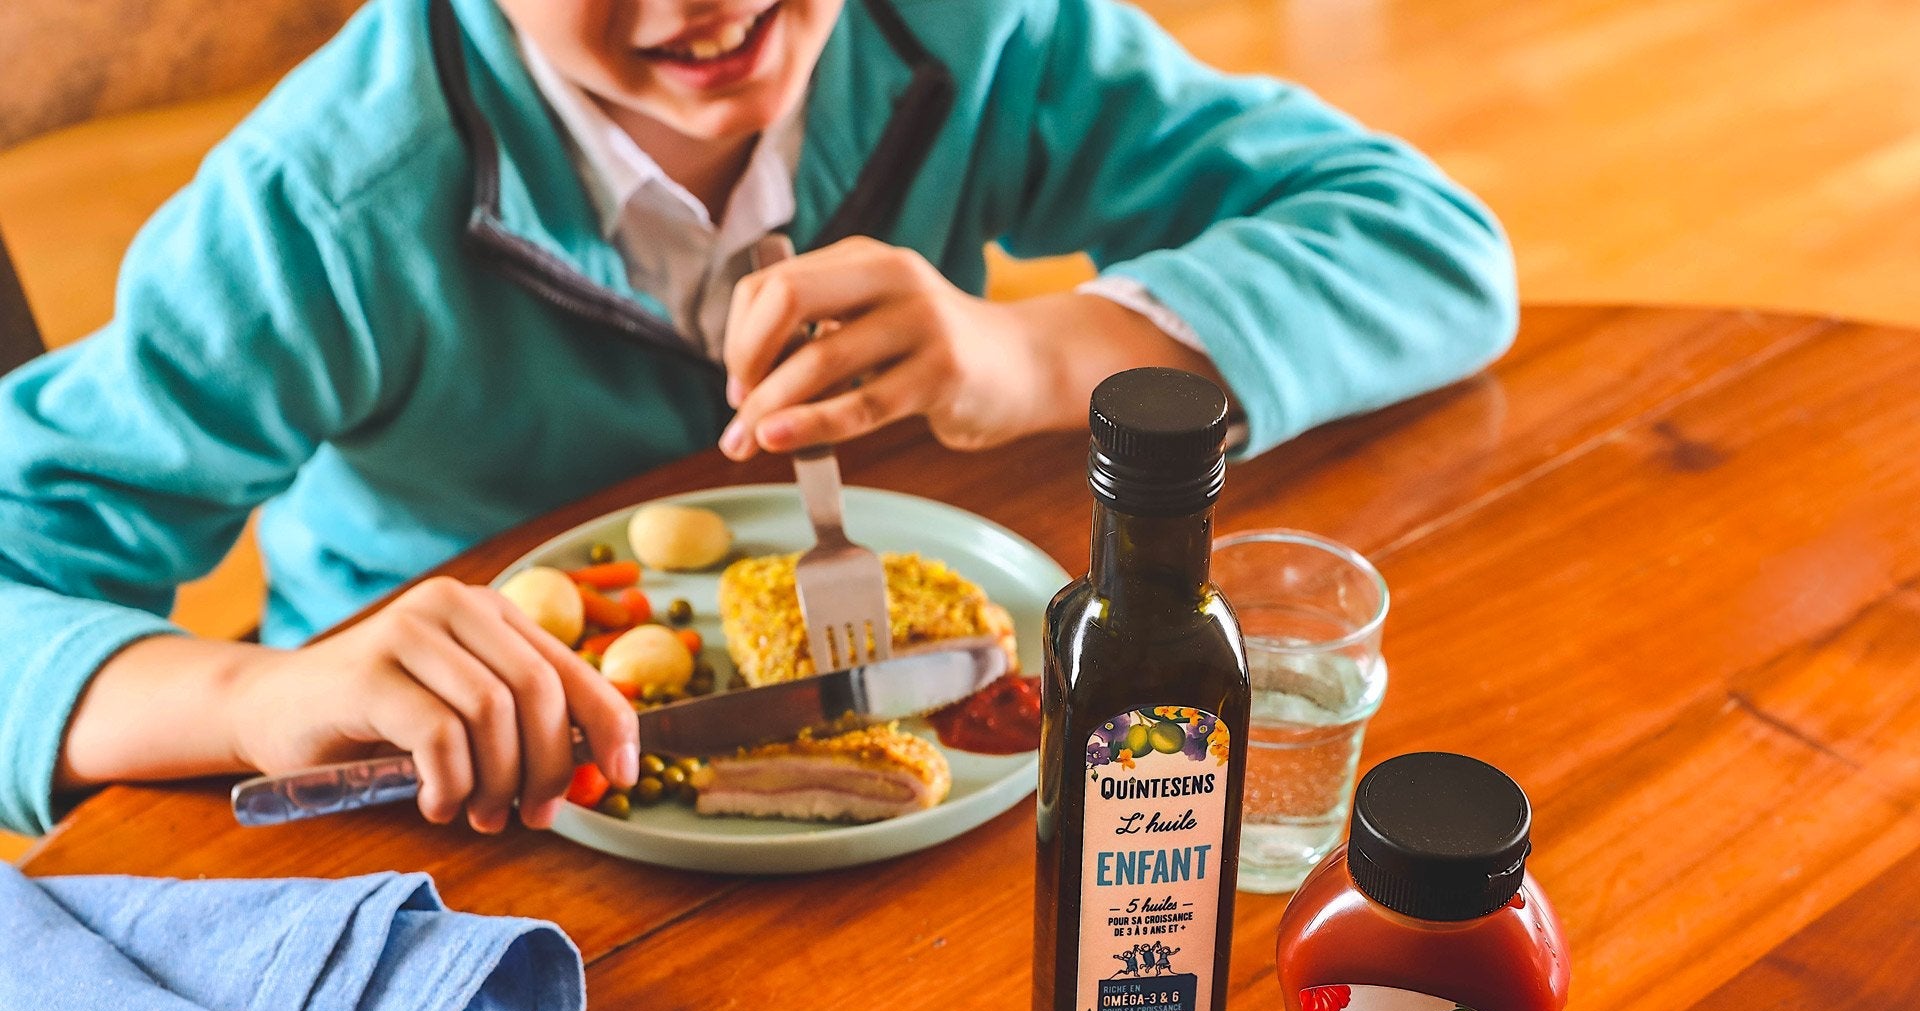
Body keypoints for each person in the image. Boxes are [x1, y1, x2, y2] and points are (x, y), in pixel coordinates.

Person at [0, 0, 1516, 838]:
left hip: (920, 822)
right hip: (448, 839)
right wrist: (258, 697)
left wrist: (1027, 352)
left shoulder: (972, 33)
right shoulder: (326, 205)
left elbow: (1431, 245)